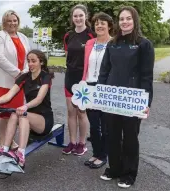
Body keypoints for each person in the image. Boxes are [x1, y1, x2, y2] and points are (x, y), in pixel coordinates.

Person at [98, 6, 154, 188]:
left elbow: (147, 76)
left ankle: (129, 174)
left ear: (134, 20)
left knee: (130, 137)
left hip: (133, 100)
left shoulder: (144, 44)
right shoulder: (112, 43)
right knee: (112, 135)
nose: (125, 22)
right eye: (122, 19)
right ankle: (114, 169)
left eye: (128, 18)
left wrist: (147, 102)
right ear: (118, 22)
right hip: (111, 97)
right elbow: (104, 70)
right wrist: (99, 93)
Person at [0, 49, 54, 169]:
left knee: (23, 115)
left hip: (44, 120)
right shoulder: (24, 77)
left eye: (33, 61)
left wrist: (25, 106)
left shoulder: (46, 77)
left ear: (41, 62)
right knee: (15, 114)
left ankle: (21, 155)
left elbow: (39, 99)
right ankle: (5, 149)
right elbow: (9, 95)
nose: (30, 64)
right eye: (28, 61)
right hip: (28, 118)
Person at [0, 10, 30, 150]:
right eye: (9, 21)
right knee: (2, 113)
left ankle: (10, 141)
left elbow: (28, 57)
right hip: (2, 81)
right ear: (4, 22)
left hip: (19, 81)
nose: (12, 23)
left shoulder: (23, 36)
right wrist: (17, 73)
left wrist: (24, 72)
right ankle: (2, 141)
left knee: (14, 113)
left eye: (15, 20)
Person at [81, 12, 113, 169]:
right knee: (93, 125)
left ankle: (103, 156)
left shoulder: (114, 43)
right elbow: (86, 67)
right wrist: (83, 84)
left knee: (105, 124)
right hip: (89, 87)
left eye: (103, 23)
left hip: (106, 88)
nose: (99, 26)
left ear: (109, 26)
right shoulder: (89, 43)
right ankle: (96, 153)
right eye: (97, 23)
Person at [62, 4, 95, 156]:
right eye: (75, 16)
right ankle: (72, 142)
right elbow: (68, 55)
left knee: (82, 112)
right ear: (72, 18)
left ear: (86, 16)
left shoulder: (91, 35)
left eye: (81, 15)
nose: (78, 18)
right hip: (70, 77)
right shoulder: (68, 35)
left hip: (83, 79)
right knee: (71, 112)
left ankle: (82, 143)